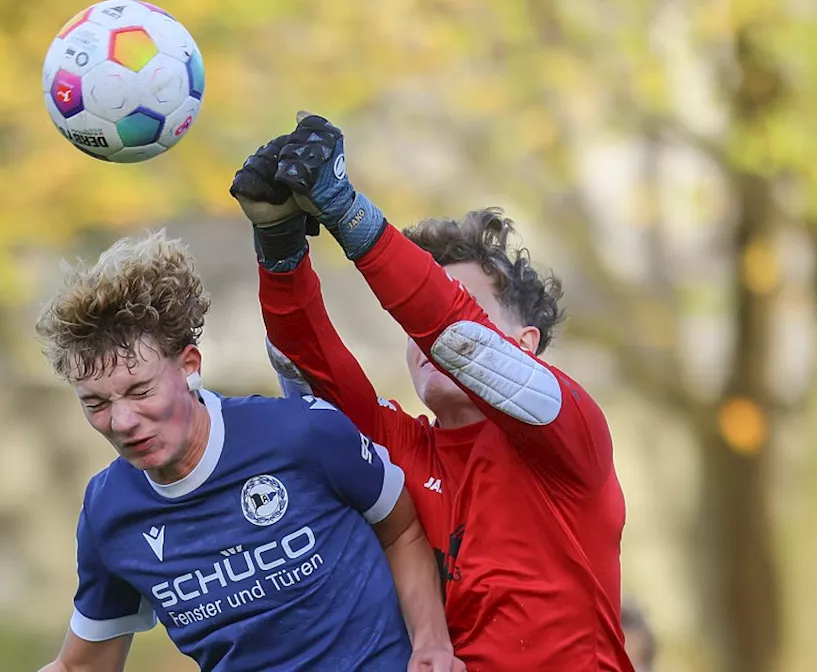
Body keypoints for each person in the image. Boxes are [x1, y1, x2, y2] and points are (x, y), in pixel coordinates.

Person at [229, 114, 632, 671]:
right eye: (414, 325)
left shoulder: (571, 432)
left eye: (459, 300)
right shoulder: (402, 446)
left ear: (526, 343)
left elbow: (458, 335)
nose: (423, 337)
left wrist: (346, 210)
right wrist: (277, 241)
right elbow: (306, 363)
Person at [33, 230, 464, 672]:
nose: (122, 422)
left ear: (189, 366)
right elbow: (82, 665)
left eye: (141, 390)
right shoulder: (109, 512)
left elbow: (400, 529)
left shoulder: (302, 433)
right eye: (96, 404)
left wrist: (431, 643)